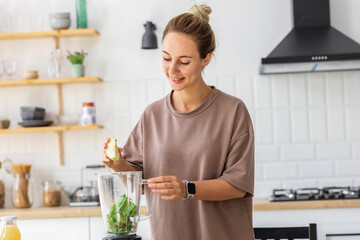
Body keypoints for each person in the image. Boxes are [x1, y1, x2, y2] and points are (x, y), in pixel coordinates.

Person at [102, 4, 254, 240]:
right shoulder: (152, 116)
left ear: (205, 59)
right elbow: (140, 184)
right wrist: (118, 165)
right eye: (166, 58)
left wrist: (187, 189)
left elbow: (238, 185)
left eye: (184, 61)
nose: (172, 69)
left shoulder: (233, 111)